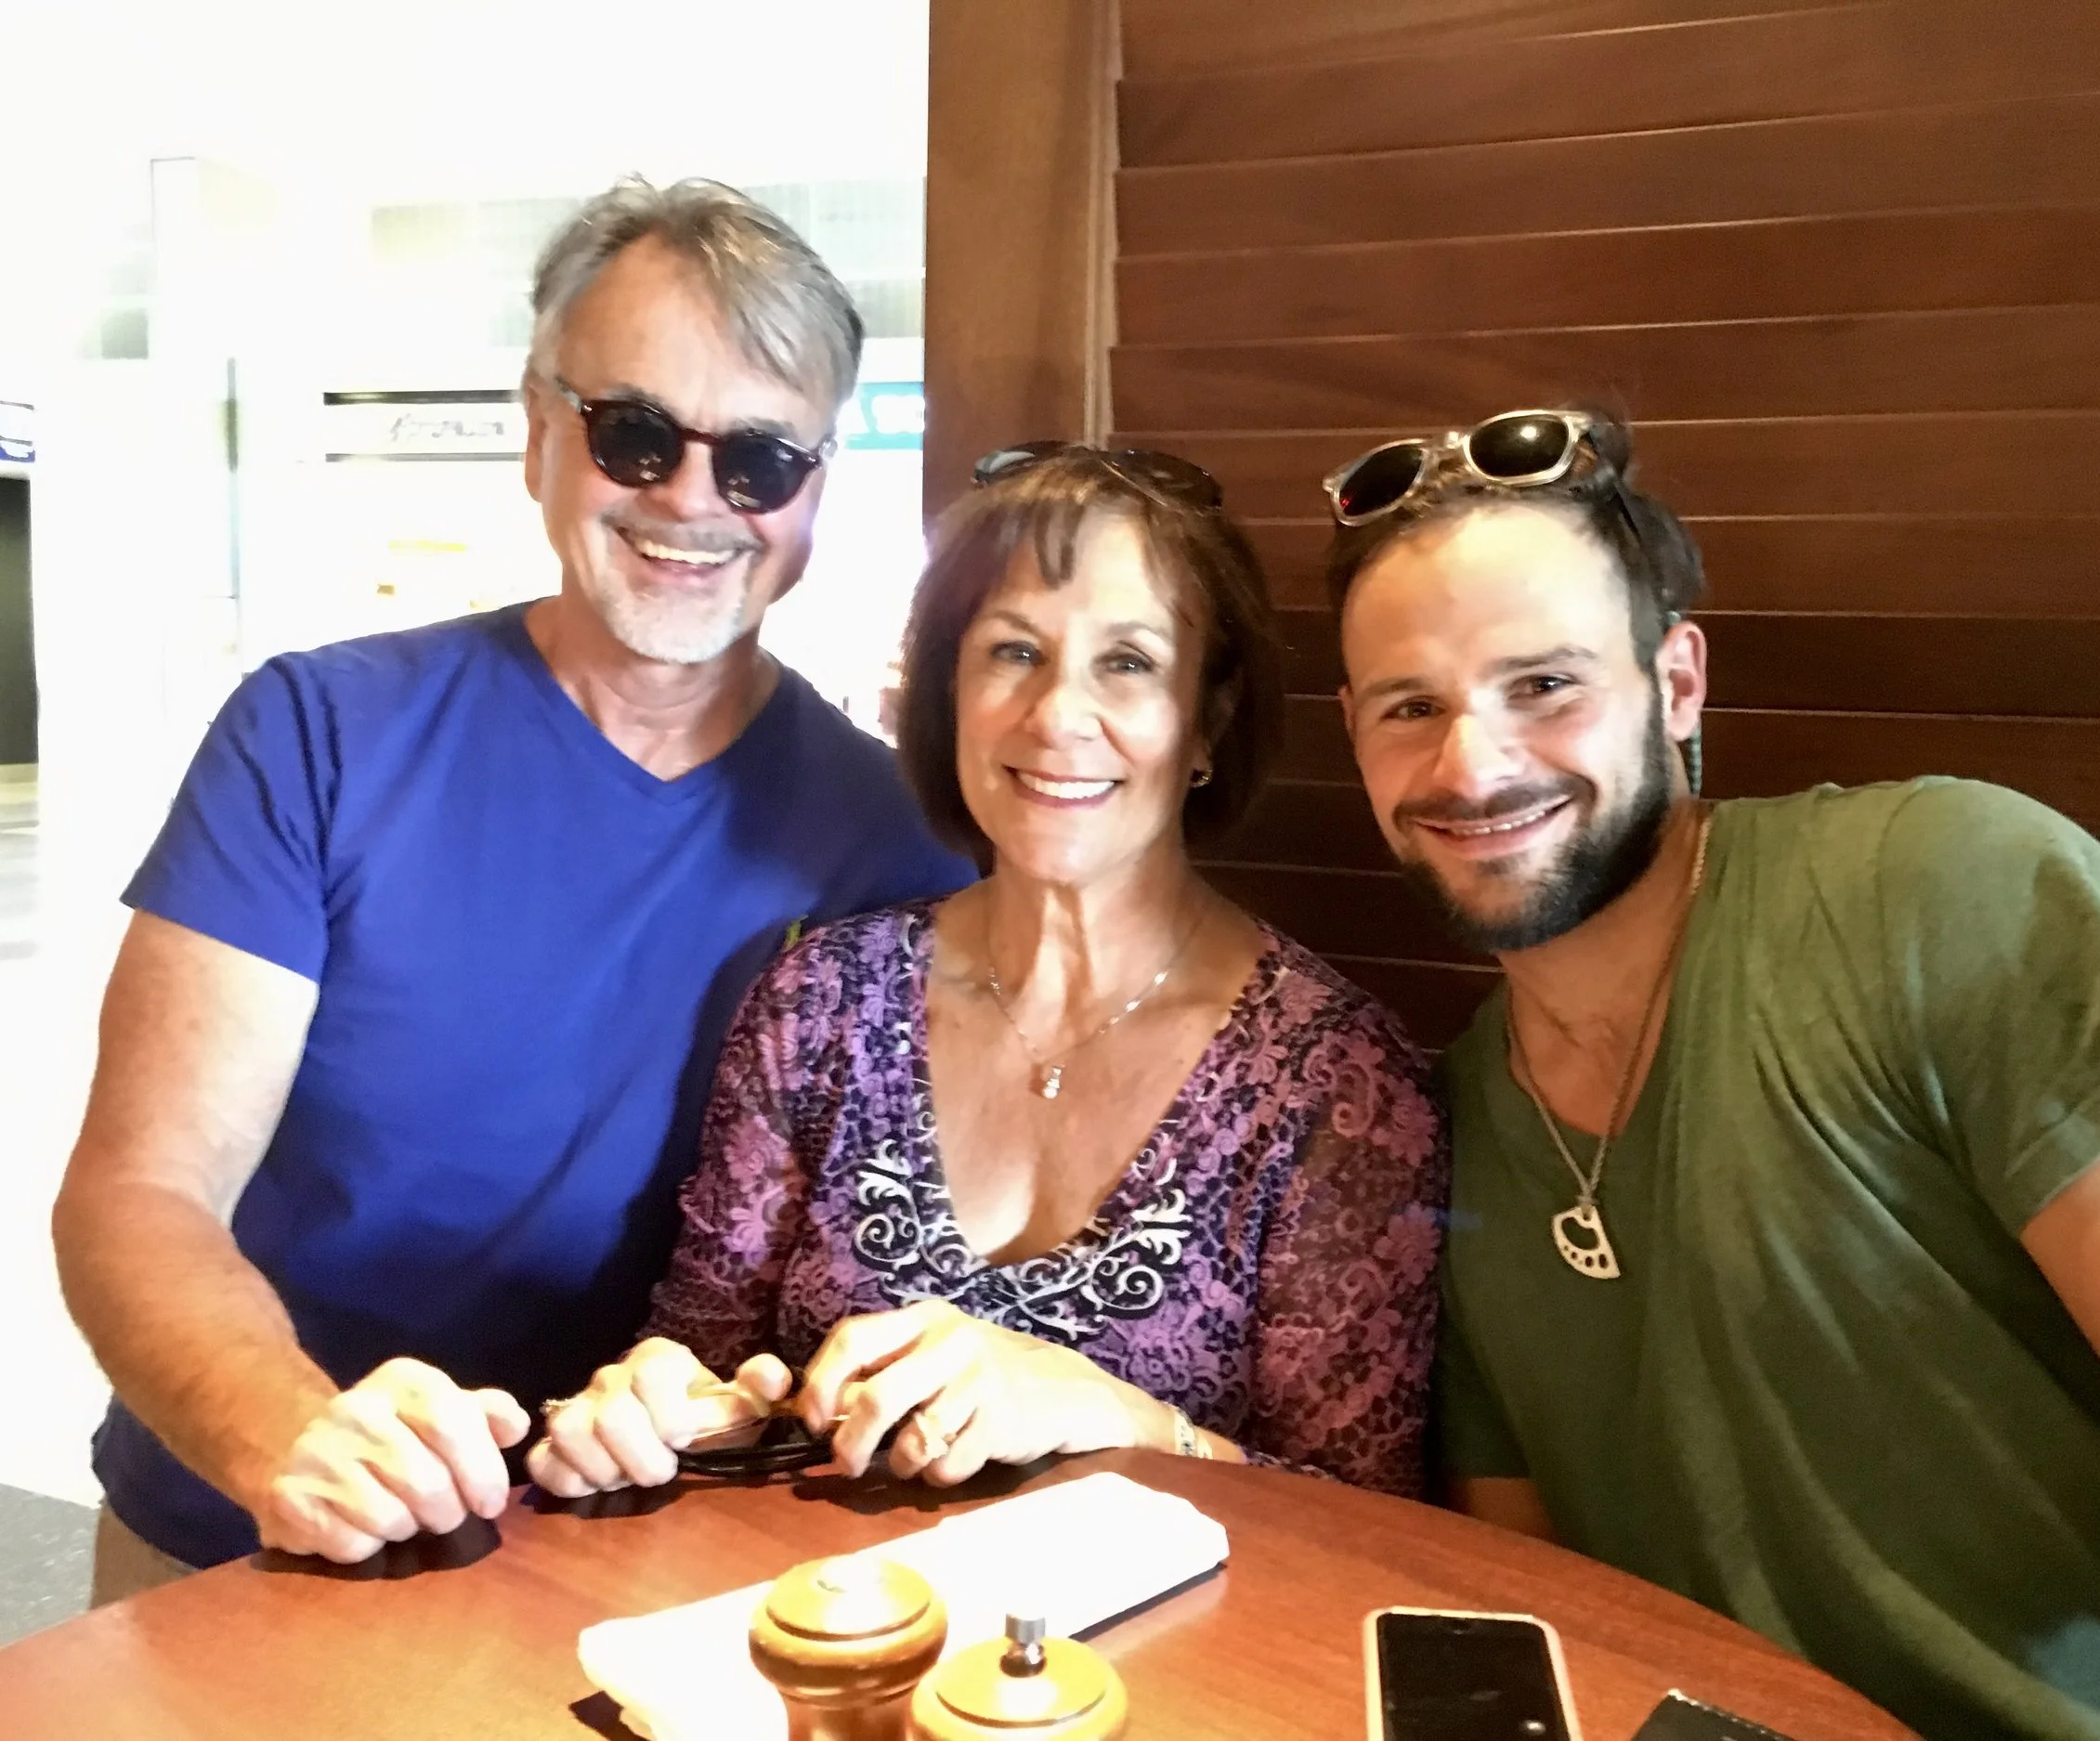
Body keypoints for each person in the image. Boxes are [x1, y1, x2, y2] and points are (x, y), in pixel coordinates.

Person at [1324, 407, 2100, 1741]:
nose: (1474, 761)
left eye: (1545, 684)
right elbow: (1543, 1610)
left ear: (1677, 683)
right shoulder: (1452, 1126)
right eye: (1412, 706)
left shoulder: (1946, 892)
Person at [50, 179, 972, 1589]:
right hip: (237, 1538)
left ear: (814, 492)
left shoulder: (896, 837)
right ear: (540, 430)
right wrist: (288, 1432)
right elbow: (139, 1189)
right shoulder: (318, 736)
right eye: (636, 433)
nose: (690, 501)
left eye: (759, 461)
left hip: (615, 1558)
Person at [527, 443, 1447, 1501]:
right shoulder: (822, 1002)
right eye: (1013, 652)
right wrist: (653, 1410)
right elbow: (707, 1366)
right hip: (831, 1631)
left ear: (1209, 720)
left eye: (1129, 662)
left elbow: (1370, 1529)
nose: (1057, 716)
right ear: (947, 691)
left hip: (1166, 1658)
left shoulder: (1336, 1083)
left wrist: (1119, 1416)